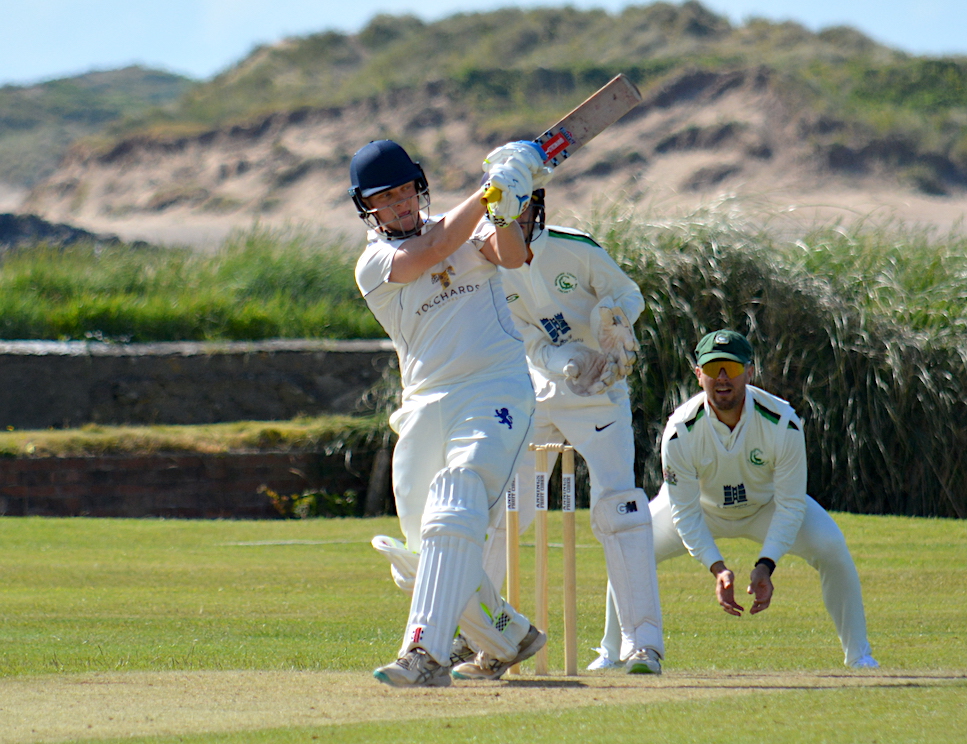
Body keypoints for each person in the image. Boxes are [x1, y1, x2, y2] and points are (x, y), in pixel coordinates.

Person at [351, 138, 552, 687]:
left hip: (495, 390)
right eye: (384, 200)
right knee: (420, 555)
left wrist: (509, 207)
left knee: (456, 505)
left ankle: (424, 655)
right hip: (423, 403)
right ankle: (510, 635)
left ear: (420, 188)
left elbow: (511, 255)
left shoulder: (467, 225)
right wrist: (489, 193)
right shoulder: (374, 262)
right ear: (367, 209)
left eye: (404, 193)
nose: (398, 207)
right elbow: (430, 252)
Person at [592, 329, 879, 669]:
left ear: (749, 371)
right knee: (632, 549)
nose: (723, 378)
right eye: (713, 369)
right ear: (699, 375)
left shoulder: (782, 422)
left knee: (831, 547)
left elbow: (790, 505)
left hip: (765, 507)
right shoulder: (680, 430)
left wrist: (765, 564)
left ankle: (859, 656)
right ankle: (611, 653)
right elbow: (684, 510)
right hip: (702, 508)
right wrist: (717, 568)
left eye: (731, 367)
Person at [467, 189, 665, 676]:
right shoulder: (489, 261)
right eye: (501, 216)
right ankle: (478, 638)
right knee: (507, 510)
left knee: (619, 507)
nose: (511, 223)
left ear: (538, 209)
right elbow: (529, 340)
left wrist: (610, 323)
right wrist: (566, 361)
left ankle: (645, 644)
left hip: (601, 391)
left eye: (521, 212)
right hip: (543, 395)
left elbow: (630, 294)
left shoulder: (576, 248)